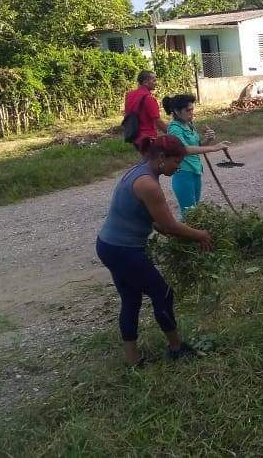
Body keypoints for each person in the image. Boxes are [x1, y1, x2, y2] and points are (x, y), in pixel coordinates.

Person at [96, 135, 212, 366]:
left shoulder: (140, 170)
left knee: (131, 299)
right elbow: (168, 225)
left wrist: (177, 233)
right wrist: (200, 235)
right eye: (176, 161)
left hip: (108, 245)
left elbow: (157, 222)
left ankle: (132, 360)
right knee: (163, 293)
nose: (178, 166)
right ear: (161, 157)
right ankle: (176, 347)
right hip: (123, 250)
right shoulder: (148, 184)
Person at [162, 94, 231, 218]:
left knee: (195, 212)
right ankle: (185, 237)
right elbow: (184, 149)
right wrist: (214, 148)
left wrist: (208, 140)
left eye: (192, 109)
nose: (191, 113)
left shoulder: (189, 125)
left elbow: (197, 146)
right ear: (177, 112)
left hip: (195, 170)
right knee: (189, 213)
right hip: (183, 173)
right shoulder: (174, 128)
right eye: (188, 110)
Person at [124, 71, 168, 153]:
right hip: (148, 138)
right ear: (145, 82)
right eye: (154, 80)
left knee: (147, 161)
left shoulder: (130, 95)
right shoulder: (149, 99)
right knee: (157, 163)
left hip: (134, 135)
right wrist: (172, 133)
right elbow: (158, 121)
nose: (156, 83)